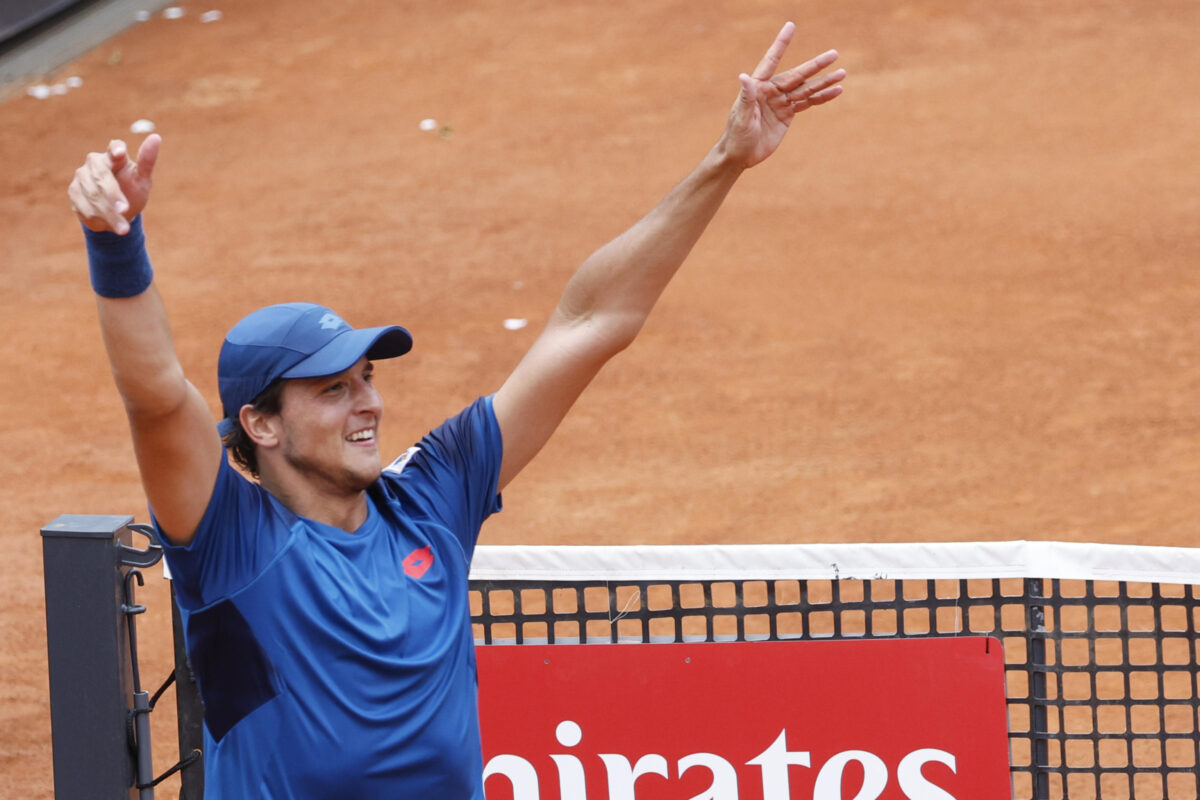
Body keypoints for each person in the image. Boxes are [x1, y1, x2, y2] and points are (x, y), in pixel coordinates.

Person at [68, 21, 844, 799]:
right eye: (334, 389)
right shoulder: (230, 542)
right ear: (260, 425)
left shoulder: (432, 499)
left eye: (367, 378)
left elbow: (590, 322)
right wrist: (115, 243)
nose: (369, 403)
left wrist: (725, 160)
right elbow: (157, 398)